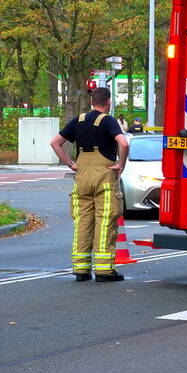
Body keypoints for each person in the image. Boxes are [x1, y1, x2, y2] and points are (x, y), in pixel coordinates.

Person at [50, 87, 129, 282]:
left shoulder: (79, 120)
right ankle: (104, 271)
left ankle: (81, 269)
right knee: (105, 221)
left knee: (83, 222)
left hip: (82, 178)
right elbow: (124, 143)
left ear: (92, 101)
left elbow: (55, 142)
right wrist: (121, 164)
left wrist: (70, 164)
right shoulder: (109, 121)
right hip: (104, 177)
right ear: (108, 102)